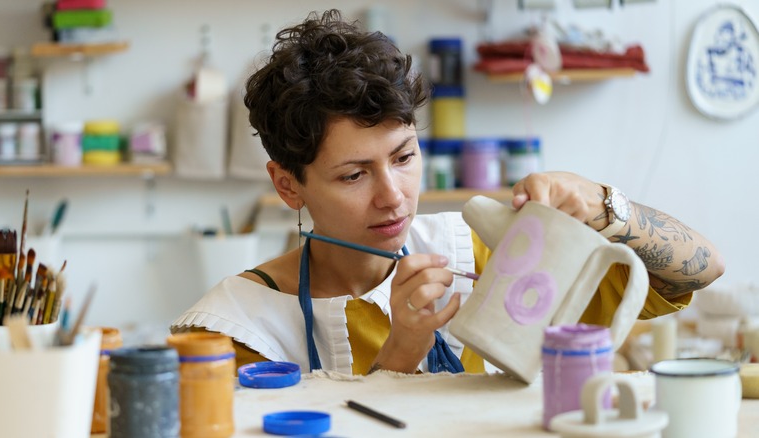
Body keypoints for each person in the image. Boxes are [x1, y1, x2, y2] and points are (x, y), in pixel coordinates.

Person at [171, 9, 725, 375]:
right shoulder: (235, 329)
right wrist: (400, 354)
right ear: (288, 184)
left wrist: (604, 203)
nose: (394, 197)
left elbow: (700, 269)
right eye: (353, 175)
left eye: (405, 157)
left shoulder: (484, 255)